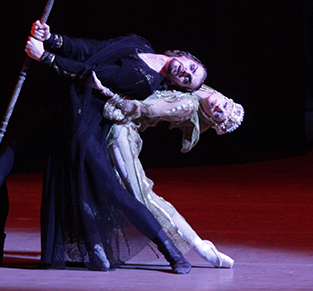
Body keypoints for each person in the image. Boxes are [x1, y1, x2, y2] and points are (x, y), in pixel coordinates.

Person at [0, 20, 207, 273]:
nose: (185, 73)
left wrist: (46, 57)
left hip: (82, 129)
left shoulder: (146, 81)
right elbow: (90, 49)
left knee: (115, 193)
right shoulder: (138, 43)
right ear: (184, 55)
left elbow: (89, 75)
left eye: (187, 80)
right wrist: (52, 38)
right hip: (57, 116)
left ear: (177, 85)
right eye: (191, 68)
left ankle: (172, 253)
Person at [93, 75, 243, 268]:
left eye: (219, 114)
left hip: (121, 129)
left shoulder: (187, 104)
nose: (219, 107)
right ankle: (95, 245)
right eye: (225, 105)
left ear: (209, 119)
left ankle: (199, 246)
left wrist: (105, 91)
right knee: (99, 185)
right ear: (225, 98)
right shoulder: (202, 86)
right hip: (108, 117)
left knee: (141, 194)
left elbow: (143, 107)